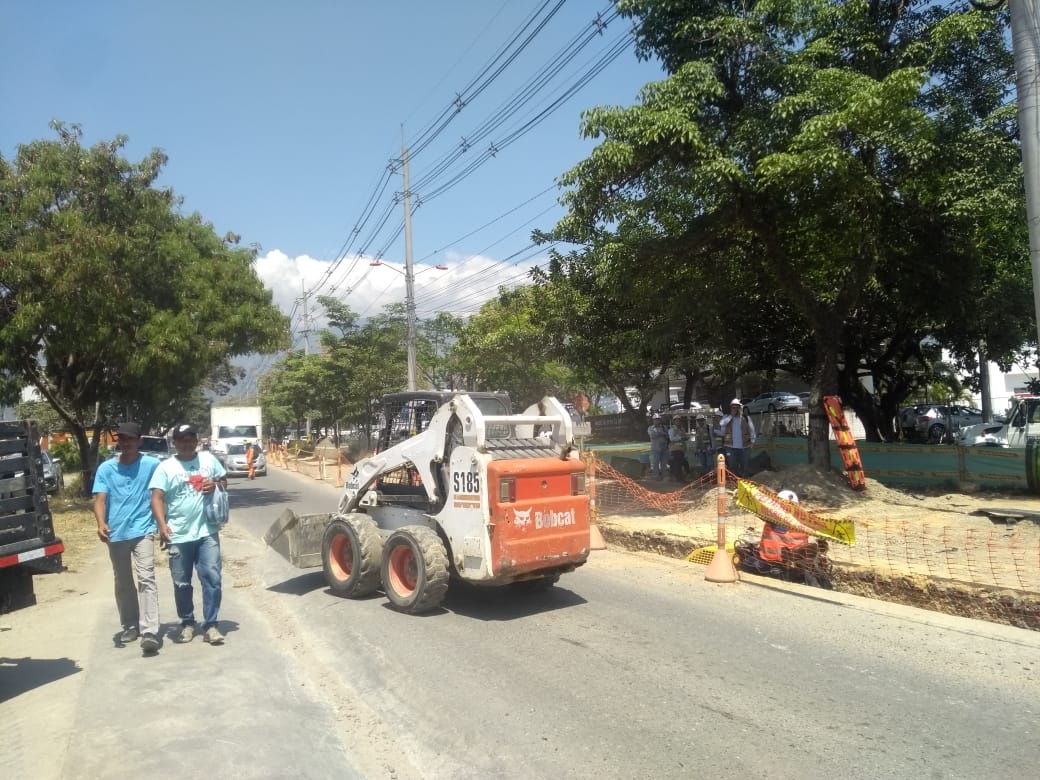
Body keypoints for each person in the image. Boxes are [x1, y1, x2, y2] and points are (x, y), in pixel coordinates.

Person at [150, 423, 229, 646]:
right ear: (174, 443)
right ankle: (187, 623)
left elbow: (224, 481)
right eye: (182, 440)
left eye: (191, 439)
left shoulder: (208, 460)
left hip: (207, 532)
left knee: (212, 578)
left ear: (197, 440)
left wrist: (216, 485)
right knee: (182, 583)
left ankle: (211, 625)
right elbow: (156, 498)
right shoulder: (165, 467)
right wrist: (162, 525)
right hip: (179, 534)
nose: (187, 443)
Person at [93, 421, 163, 655]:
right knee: (123, 581)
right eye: (122, 439)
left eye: (131, 439)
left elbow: (162, 493)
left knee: (146, 577)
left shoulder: (152, 465)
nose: (126, 443)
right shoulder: (106, 469)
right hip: (117, 533)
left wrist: (164, 524)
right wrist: (101, 523)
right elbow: (100, 500)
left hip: (143, 530)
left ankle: (149, 630)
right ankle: (130, 625)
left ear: (139, 441)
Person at [718, 398, 756, 477]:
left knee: (745, 466)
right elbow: (721, 424)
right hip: (730, 447)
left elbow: (752, 430)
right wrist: (731, 416)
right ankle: (735, 481)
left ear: (740, 408)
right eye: (733, 407)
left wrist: (752, 441)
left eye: (737, 407)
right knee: (732, 466)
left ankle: (744, 481)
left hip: (744, 447)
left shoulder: (746, 418)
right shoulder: (727, 417)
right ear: (730, 408)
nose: (735, 409)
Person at [646, 414, 670, 480]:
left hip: (664, 448)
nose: (657, 421)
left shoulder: (664, 427)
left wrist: (659, 433)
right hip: (655, 448)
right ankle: (656, 476)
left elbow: (668, 435)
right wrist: (661, 433)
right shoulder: (650, 428)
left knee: (664, 463)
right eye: (656, 419)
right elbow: (652, 435)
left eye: (658, 419)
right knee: (655, 462)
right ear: (653, 420)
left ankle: (664, 476)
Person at [667, 418, 690, 482]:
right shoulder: (672, 430)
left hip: (682, 450)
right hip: (675, 450)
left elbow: (684, 438)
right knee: (678, 465)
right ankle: (679, 479)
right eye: (676, 421)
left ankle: (681, 478)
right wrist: (680, 438)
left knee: (683, 464)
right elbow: (671, 438)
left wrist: (686, 438)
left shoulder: (682, 430)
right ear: (674, 422)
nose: (678, 422)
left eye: (679, 421)